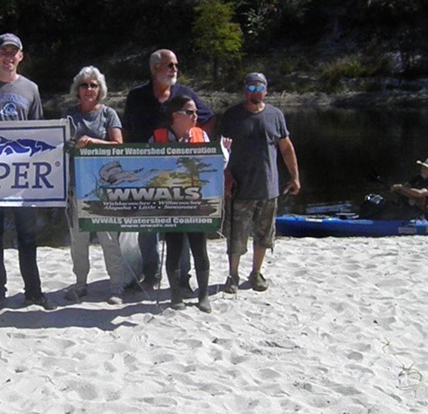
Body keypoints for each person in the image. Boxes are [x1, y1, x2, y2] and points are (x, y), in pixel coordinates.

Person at [0, 33, 55, 313]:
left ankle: (34, 291)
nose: (8, 57)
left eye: (13, 52)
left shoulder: (31, 89)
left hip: (24, 178)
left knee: (28, 235)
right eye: (3, 51)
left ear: (20, 56)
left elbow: (39, 130)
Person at [123, 49, 213, 292]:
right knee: (146, 228)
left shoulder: (185, 94)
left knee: (180, 229)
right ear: (154, 68)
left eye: (176, 65)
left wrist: (198, 143)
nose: (174, 69)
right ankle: (151, 275)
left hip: (182, 178)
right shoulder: (137, 96)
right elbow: (127, 132)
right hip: (145, 173)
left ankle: (183, 279)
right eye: (169, 65)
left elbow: (208, 119)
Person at [219, 73, 301, 294]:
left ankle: (256, 273)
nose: (254, 93)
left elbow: (286, 147)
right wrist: (226, 175)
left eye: (259, 88)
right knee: (236, 234)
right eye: (250, 88)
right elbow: (221, 150)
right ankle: (232, 275)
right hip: (239, 188)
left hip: (269, 187)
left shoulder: (275, 115)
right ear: (244, 90)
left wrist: (295, 177)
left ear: (265, 91)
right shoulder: (232, 115)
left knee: (264, 234)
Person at [64, 66, 128, 305]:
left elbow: (119, 145)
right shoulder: (68, 115)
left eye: (93, 85)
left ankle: (117, 286)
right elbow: (60, 146)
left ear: (100, 89)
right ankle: (80, 284)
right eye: (84, 85)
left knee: (109, 239)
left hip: (104, 189)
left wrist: (93, 142)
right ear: (77, 89)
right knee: (78, 241)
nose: (88, 89)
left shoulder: (109, 114)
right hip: (75, 187)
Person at [148, 95, 212, 312]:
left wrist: (225, 155)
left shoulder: (201, 135)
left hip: (195, 202)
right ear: (175, 115)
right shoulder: (158, 137)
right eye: (190, 112)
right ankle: (176, 296)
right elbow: (147, 169)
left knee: (199, 249)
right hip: (170, 203)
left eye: (196, 112)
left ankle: (203, 295)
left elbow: (211, 168)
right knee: (174, 248)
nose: (195, 116)